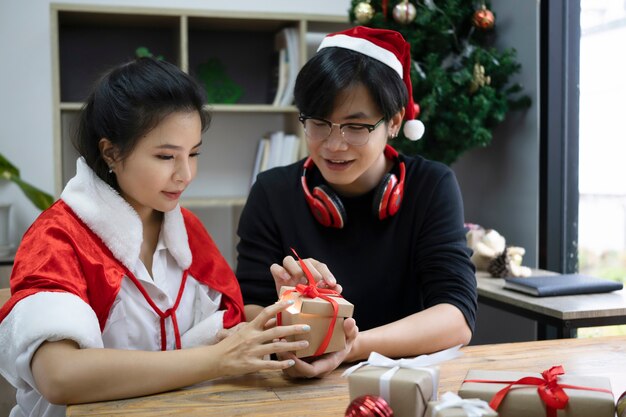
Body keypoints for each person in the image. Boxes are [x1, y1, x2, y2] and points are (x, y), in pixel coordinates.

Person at [0, 57, 313, 417]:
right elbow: (59, 376)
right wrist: (215, 360)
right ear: (111, 152)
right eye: (166, 156)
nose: (186, 174)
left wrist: (297, 309)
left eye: (193, 154)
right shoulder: (59, 238)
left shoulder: (187, 230)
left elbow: (228, 326)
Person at [236, 26, 478, 377]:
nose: (334, 145)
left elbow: (456, 318)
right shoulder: (273, 192)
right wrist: (283, 311)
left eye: (355, 126)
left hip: (405, 381)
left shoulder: (431, 185)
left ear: (394, 122)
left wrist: (350, 346)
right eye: (319, 123)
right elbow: (250, 308)